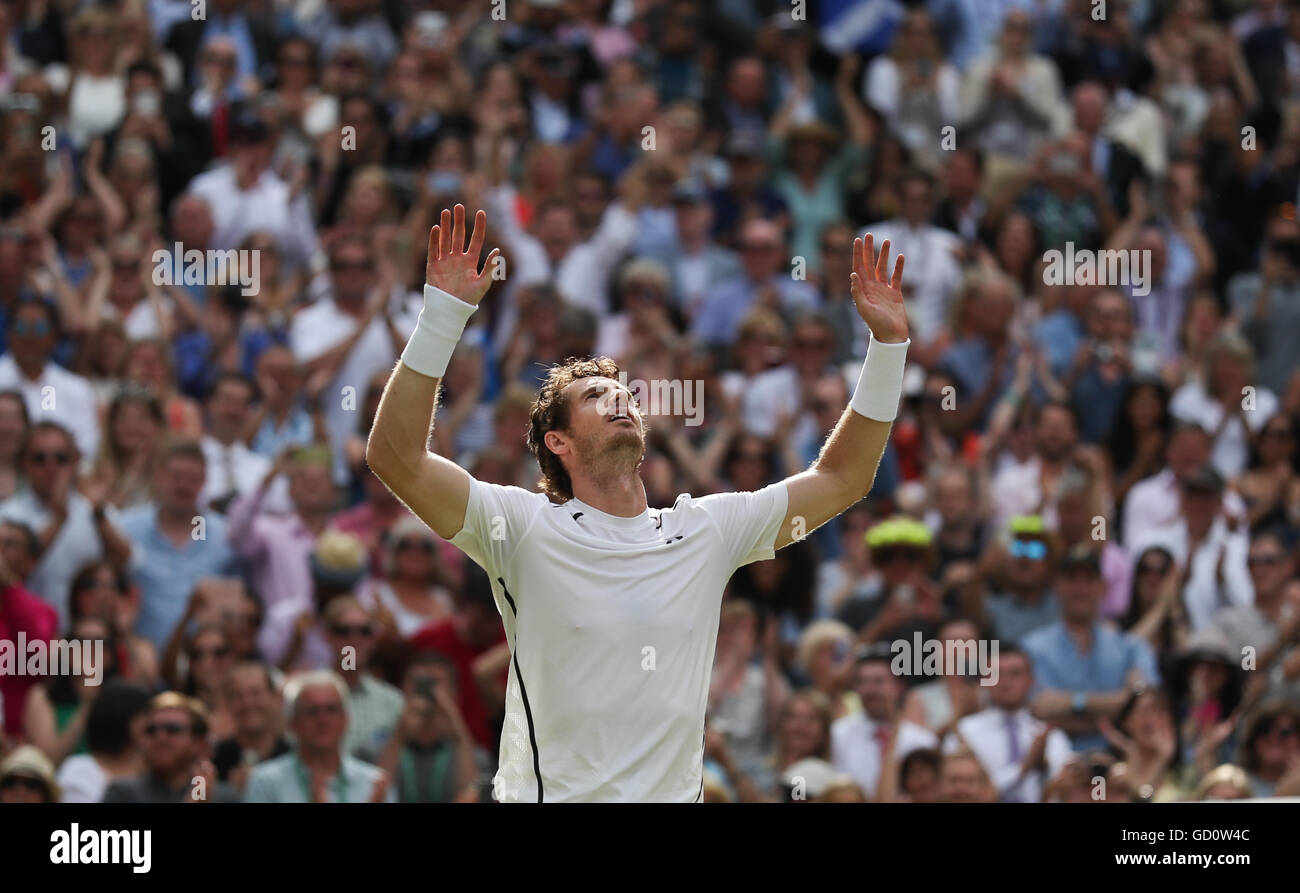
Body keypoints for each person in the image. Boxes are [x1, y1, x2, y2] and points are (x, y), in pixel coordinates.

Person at [367, 205, 911, 802]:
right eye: (596, 395)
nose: (620, 400)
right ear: (559, 441)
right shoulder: (520, 527)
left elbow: (844, 478)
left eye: (624, 392)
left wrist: (887, 347)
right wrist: (443, 317)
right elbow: (397, 458)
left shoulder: (706, 529)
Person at [1023, 546, 1162, 753]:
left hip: (1120, 760)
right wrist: (1116, 710)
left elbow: (1145, 705)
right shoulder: (1032, 647)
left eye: (1089, 580)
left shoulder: (1130, 647)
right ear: (1057, 586)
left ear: (1103, 587)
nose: (1080, 588)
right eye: (1072, 579)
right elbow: (1037, 708)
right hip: (1053, 762)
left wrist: (1067, 709)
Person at [243, 670, 395, 803]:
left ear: (345, 719)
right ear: (293, 723)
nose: (323, 720)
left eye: (331, 709)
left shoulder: (373, 782)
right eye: (312, 711)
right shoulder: (266, 782)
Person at [945, 645, 1072, 802]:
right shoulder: (964, 731)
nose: (1005, 682)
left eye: (1015, 673)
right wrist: (1025, 766)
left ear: (1030, 680)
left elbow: (1062, 790)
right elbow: (957, 791)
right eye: (997, 674)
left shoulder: (1051, 734)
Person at [829, 645, 938, 799]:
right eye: (862, 682)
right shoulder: (838, 734)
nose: (869, 690)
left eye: (878, 681)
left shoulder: (922, 741)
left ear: (899, 686)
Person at [101, 691, 240, 802]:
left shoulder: (224, 797)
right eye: (151, 730)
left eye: (172, 729)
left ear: (198, 742)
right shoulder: (122, 794)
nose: (160, 737)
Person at [55, 678, 151, 803]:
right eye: (145, 715)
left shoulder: (154, 771)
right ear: (122, 719)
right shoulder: (78, 771)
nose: (154, 726)